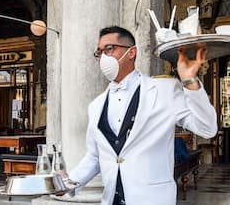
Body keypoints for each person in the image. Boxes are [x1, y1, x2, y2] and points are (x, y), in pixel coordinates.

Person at [67, 26, 217, 205]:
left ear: (132, 52)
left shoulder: (165, 90)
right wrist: (68, 184)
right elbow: (94, 157)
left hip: (152, 199)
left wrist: (189, 80)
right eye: (99, 52)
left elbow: (207, 129)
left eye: (109, 49)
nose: (103, 57)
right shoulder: (96, 105)